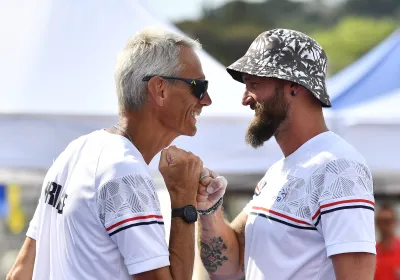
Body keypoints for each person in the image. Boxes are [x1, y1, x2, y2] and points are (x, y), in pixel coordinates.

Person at [6, 27, 212, 280]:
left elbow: (19, 273)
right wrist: (184, 200)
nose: (207, 100)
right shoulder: (125, 172)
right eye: (199, 86)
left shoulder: (77, 150)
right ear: (160, 89)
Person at [196, 28, 376, 280]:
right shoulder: (278, 171)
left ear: (294, 86)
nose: (245, 98)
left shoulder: (339, 166)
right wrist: (208, 210)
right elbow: (228, 267)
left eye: (254, 84)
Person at [375, 204, 400, 280]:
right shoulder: (373, 251)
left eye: (387, 221)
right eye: (381, 221)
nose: (384, 225)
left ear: (394, 222)